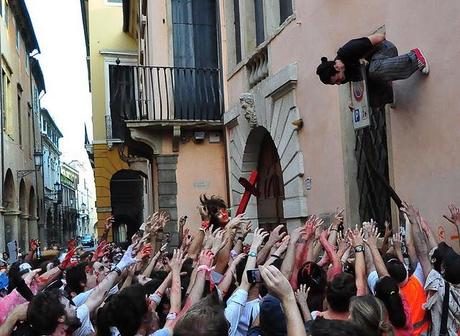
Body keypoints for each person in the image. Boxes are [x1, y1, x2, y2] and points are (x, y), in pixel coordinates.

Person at [316, 33, 429, 85]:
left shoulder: (347, 51)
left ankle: (415, 57)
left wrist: (364, 57)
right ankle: (389, 92)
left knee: (373, 71)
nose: (339, 83)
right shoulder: (344, 77)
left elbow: (380, 37)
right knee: (371, 87)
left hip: (384, 49)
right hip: (377, 65)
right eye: (335, 83)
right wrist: (354, 103)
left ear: (336, 67)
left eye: (337, 81)